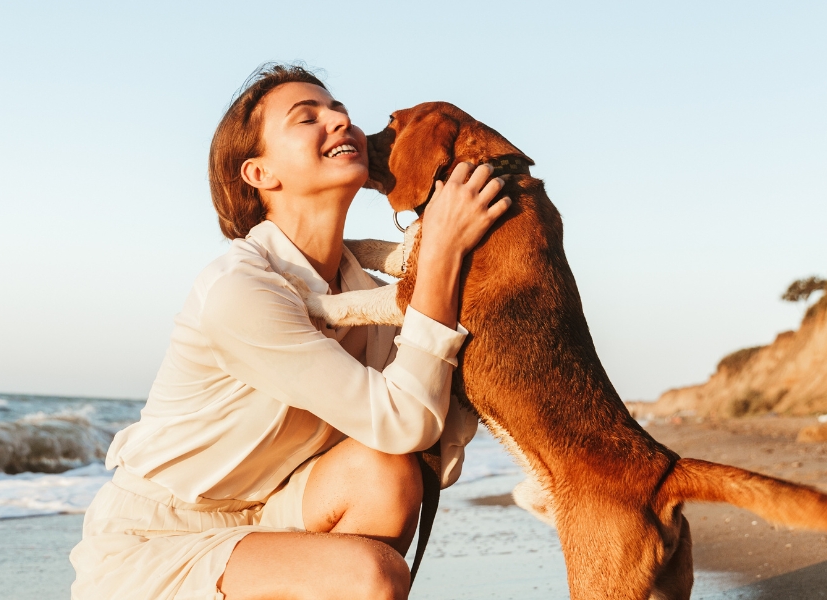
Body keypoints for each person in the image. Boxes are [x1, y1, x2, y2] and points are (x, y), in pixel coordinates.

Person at [69, 64, 510, 600]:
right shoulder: (241, 288)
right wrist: (439, 252)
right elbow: (406, 421)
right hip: (157, 540)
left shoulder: (357, 289)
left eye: (339, 110)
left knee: (386, 472)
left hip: (276, 512)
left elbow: (423, 432)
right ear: (260, 174)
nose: (340, 121)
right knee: (369, 575)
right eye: (308, 118)